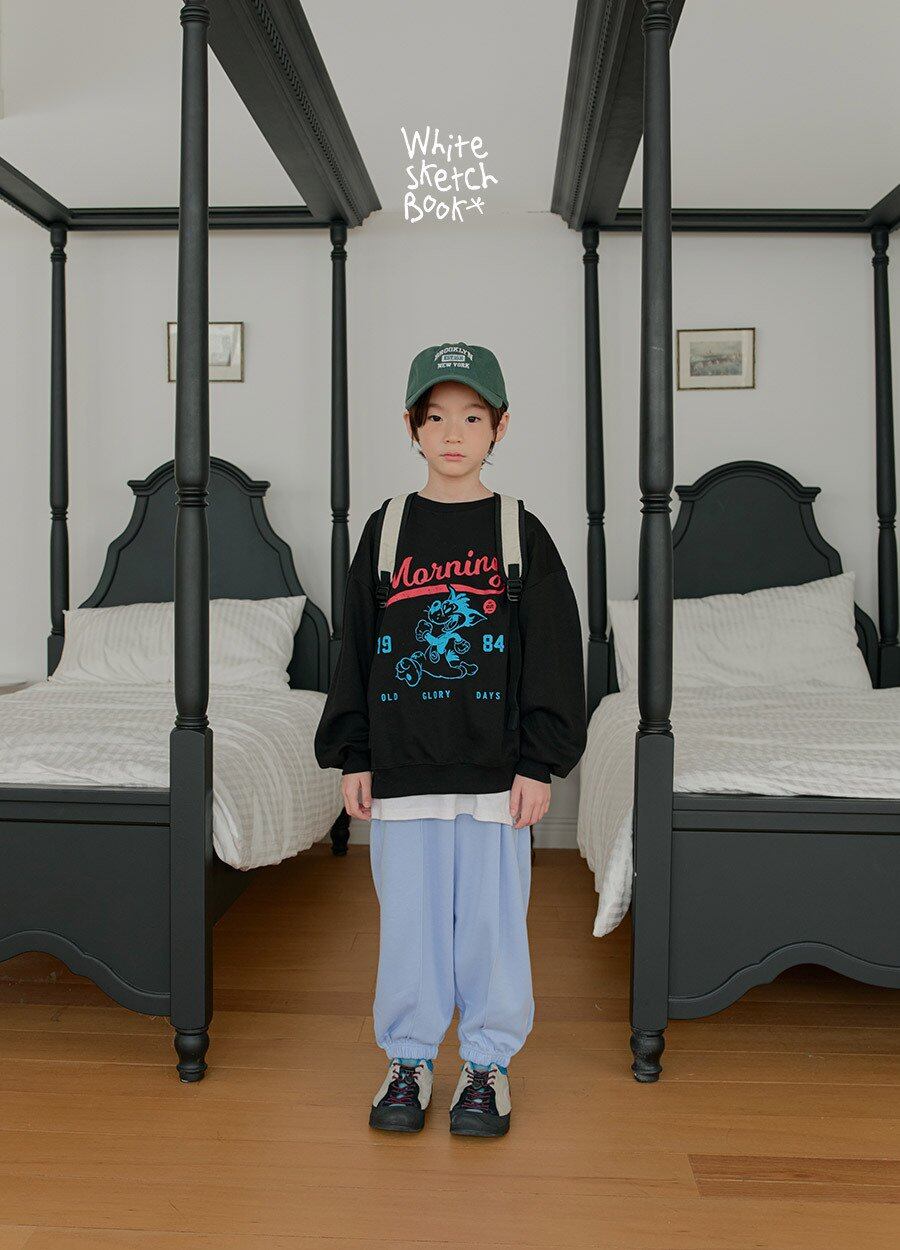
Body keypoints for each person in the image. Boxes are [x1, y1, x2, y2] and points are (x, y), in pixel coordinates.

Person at [314, 342, 587, 1137]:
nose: (454, 434)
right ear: (412, 426)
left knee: (493, 927)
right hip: (403, 769)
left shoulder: (519, 530)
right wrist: (355, 752)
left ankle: (487, 1065)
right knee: (411, 924)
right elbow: (357, 645)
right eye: (436, 418)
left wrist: (539, 761)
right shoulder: (388, 528)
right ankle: (408, 1059)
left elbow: (553, 652)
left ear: (500, 426)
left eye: (472, 417)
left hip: (496, 773)